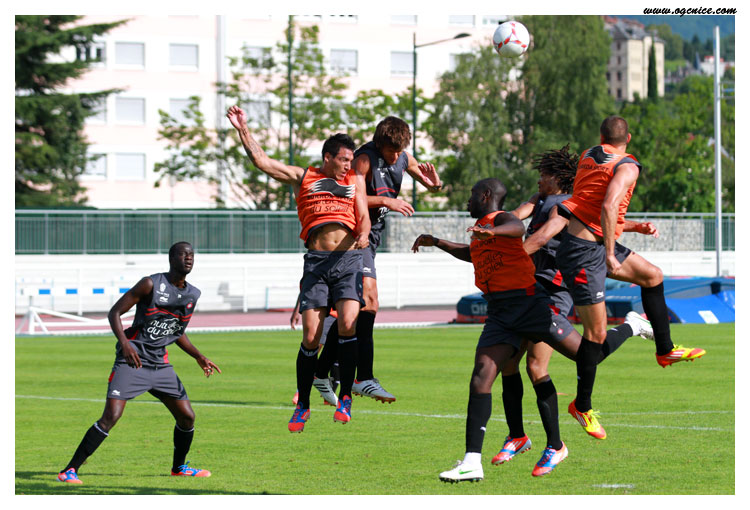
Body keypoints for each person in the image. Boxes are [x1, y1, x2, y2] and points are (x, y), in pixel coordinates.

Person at [411, 178, 634, 482]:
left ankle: (632, 325)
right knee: (481, 377)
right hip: (499, 313)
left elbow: (516, 228)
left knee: (588, 356)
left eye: (472, 195)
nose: (468, 201)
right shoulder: (482, 230)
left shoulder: (501, 219)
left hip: (530, 306)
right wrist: (437, 242)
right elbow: (472, 253)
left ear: (486, 196)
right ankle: (472, 461)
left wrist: (493, 231)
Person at [493, 145, 655, 465]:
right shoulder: (541, 198)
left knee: (567, 359)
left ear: (558, 178)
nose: (539, 180)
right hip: (530, 290)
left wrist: (509, 259)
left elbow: (543, 237)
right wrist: (491, 224)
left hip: (554, 291)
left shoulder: (566, 206)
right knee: (513, 364)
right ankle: (521, 437)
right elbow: (514, 215)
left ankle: (632, 326)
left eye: (544, 175)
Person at [555, 116, 705, 440]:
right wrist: (611, 253)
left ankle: (664, 350)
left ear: (601, 137)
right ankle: (581, 406)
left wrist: (634, 227)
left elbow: (594, 204)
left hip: (592, 244)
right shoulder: (628, 165)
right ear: (630, 138)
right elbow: (608, 205)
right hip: (585, 252)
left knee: (652, 276)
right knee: (595, 336)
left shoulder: (588, 155)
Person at [227, 105, 370, 433]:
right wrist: (242, 129)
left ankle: (345, 398)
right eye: (343, 159)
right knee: (310, 337)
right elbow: (263, 162)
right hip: (317, 263)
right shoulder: (304, 177)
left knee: (348, 324)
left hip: (349, 260)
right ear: (328, 157)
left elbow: (362, 215)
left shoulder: (355, 180)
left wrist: (363, 234)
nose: (348, 165)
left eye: (350, 160)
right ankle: (303, 405)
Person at [57, 242, 220, 485]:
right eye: (183, 254)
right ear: (171, 258)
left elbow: (176, 331)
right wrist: (124, 344)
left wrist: (198, 356)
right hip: (132, 362)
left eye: (192, 255)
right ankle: (69, 470)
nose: (189, 258)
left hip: (160, 365)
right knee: (111, 416)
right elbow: (114, 312)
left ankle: (179, 468)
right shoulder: (150, 283)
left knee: (187, 417)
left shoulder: (192, 294)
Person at [315, 116, 442, 403]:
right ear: (379, 144)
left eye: (400, 151)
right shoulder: (364, 160)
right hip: (353, 235)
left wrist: (435, 185)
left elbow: (429, 183)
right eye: (391, 151)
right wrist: (386, 200)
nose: (396, 157)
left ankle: (321, 372)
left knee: (355, 311)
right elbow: (353, 198)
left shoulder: (403, 157)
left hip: (371, 238)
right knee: (370, 302)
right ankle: (363, 377)